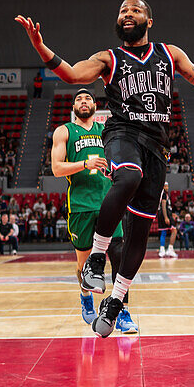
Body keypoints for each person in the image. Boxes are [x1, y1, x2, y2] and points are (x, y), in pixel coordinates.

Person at [16, 0, 194, 337]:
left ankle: (115, 303)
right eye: (122, 10)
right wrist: (41, 46)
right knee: (128, 175)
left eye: (135, 10)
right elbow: (72, 74)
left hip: (157, 145)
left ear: (150, 19)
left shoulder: (170, 54)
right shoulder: (109, 58)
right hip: (123, 133)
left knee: (138, 234)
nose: (127, 13)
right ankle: (97, 258)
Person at [49, 90, 135, 332]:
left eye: (88, 99)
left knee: (118, 255)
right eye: (79, 99)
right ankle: (85, 296)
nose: (83, 102)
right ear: (74, 106)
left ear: (95, 105)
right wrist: (84, 164)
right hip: (81, 205)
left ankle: (121, 310)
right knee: (84, 264)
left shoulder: (106, 131)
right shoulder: (64, 131)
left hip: (110, 201)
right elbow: (56, 168)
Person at [157, 184, 178, 258]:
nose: (167, 187)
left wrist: (171, 214)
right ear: (162, 187)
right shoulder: (163, 194)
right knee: (174, 230)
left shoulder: (161, 193)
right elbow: (163, 206)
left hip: (161, 214)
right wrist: (166, 217)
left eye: (168, 186)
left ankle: (162, 249)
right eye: (165, 186)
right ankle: (170, 249)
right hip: (164, 214)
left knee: (163, 231)